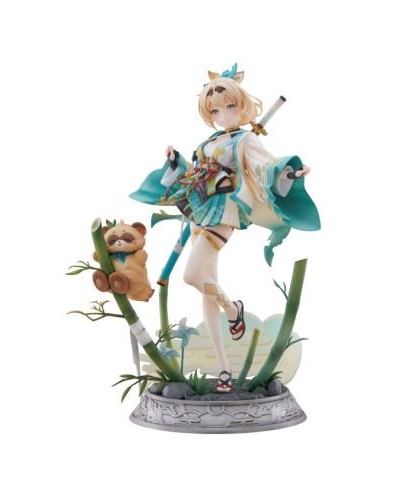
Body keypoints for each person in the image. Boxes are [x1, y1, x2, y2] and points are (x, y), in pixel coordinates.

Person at [130, 64, 320, 392]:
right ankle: (224, 371)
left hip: (224, 213)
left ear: (241, 105)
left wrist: (288, 174)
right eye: (215, 110)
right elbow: (195, 173)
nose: (223, 114)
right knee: (207, 288)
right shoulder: (209, 142)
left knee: (192, 276)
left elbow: (265, 167)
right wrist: (176, 162)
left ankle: (233, 310)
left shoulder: (246, 139)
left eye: (230, 106)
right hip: (198, 211)